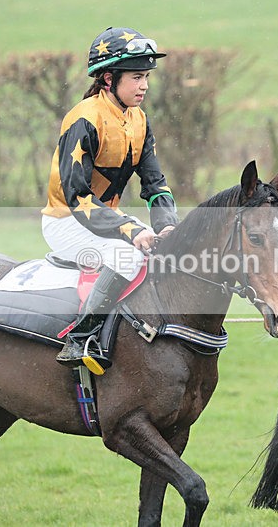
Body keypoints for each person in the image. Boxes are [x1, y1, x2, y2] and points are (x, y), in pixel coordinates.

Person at [41, 27, 178, 373]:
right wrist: (131, 230)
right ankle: (80, 338)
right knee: (128, 256)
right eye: (136, 77)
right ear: (108, 78)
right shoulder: (84, 119)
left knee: (167, 251)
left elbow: (155, 184)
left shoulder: (139, 120)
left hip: (104, 219)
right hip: (66, 221)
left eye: (146, 77)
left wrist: (168, 227)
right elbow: (78, 198)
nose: (144, 86)